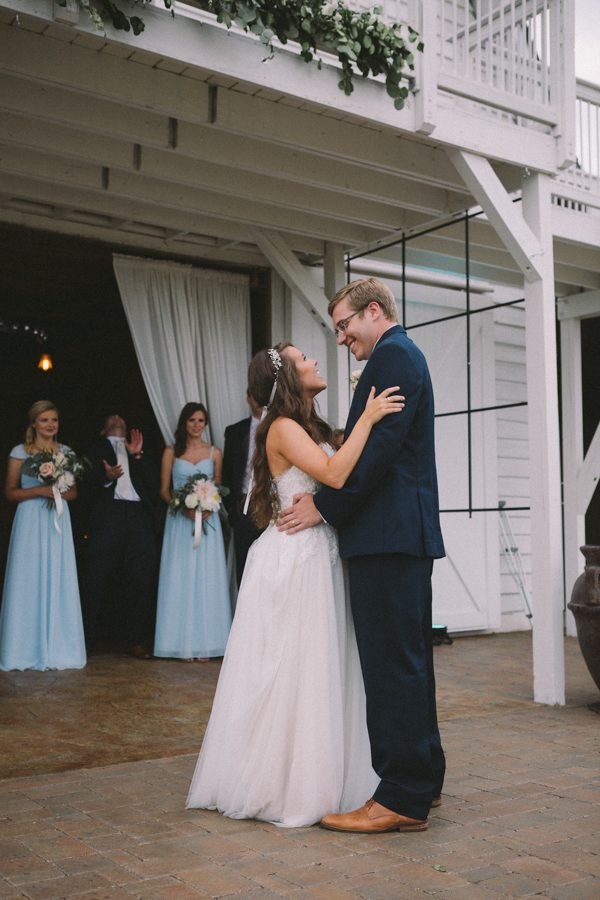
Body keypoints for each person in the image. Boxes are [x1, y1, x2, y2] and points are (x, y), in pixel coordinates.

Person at [186, 343, 404, 827]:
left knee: (321, 666)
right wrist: (368, 418)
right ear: (286, 376)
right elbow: (332, 473)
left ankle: (329, 772)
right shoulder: (281, 427)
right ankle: (285, 784)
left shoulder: (309, 426)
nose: (314, 361)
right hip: (295, 559)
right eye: (304, 358)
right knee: (293, 669)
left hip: (319, 553)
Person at [277, 277, 446, 834]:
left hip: (388, 538)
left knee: (391, 667)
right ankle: (424, 781)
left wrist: (323, 507)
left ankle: (399, 795)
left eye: (345, 325)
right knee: (410, 661)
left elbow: (377, 454)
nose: (343, 337)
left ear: (374, 311)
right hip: (399, 537)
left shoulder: (393, 357)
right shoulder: (402, 354)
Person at [0, 400, 86, 671]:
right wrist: (40, 491)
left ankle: (59, 647)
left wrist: (58, 490)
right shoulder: (20, 451)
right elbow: (10, 491)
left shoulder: (66, 452)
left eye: (55, 420)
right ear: (34, 423)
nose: (51, 425)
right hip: (30, 519)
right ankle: (24, 649)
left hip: (57, 519)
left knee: (57, 576)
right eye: (45, 420)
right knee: (28, 577)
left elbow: (73, 493)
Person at [154, 403, 232, 661]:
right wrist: (182, 507)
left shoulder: (215, 453)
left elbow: (218, 487)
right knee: (180, 578)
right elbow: (164, 490)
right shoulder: (170, 453)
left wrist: (210, 504)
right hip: (179, 523)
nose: (196, 425)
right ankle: (179, 642)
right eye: (191, 420)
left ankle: (207, 643)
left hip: (208, 522)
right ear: (183, 424)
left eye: (201, 420)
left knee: (207, 579)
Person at [83, 414, 158, 659]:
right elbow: (82, 482)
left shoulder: (138, 448)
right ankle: (87, 638)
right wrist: (106, 478)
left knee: (140, 578)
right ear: (102, 430)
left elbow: (154, 483)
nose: (117, 418)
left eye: (120, 419)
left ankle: (136, 640)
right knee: (98, 575)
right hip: (108, 516)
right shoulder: (94, 448)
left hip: (138, 517)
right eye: (111, 419)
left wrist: (137, 455)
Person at [222, 390, 264, 586]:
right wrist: (232, 509)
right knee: (244, 571)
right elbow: (227, 474)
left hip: (269, 507)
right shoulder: (234, 431)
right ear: (248, 397)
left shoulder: (278, 428)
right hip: (242, 509)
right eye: (254, 395)